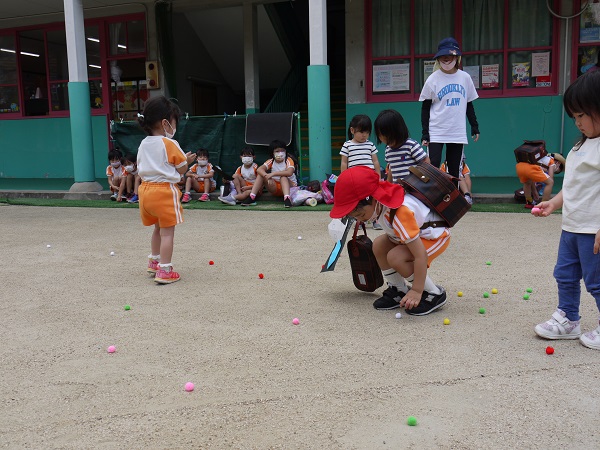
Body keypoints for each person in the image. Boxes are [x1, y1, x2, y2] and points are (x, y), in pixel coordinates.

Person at [532, 70, 600, 350]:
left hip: (593, 230)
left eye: (582, 115)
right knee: (565, 274)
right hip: (571, 227)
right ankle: (569, 318)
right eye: (574, 117)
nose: (578, 122)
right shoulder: (579, 147)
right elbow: (572, 186)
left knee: (596, 281)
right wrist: (554, 202)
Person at [330, 166, 450, 316]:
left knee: (396, 257)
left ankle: (433, 292)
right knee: (379, 245)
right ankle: (398, 289)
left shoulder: (399, 214)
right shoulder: (381, 204)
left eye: (361, 214)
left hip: (434, 237)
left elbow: (420, 255)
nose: (360, 219)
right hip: (409, 235)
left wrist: (416, 290)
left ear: (373, 199)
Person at [136, 96, 197, 284]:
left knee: (157, 228)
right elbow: (181, 169)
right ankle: (165, 270)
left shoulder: (143, 143)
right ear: (165, 123)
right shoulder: (169, 143)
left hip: (145, 191)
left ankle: (154, 262)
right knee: (167, 233)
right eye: (174, 122)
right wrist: (186, 161)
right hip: (164, 192)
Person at [419, 37, 480, 185]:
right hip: (436, 130)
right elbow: (425, 108)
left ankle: (453, 198)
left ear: (457, 57)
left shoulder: (465, 78)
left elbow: (469, 104)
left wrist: (474, 126)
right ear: (438, 58)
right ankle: (433, 196)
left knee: (454, 170)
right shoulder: (432, 79)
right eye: (443, 57)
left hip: (456, 131)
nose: (446, 60)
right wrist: (425, 132)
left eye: (450, 56)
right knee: (433, 166)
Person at [340, 114, 382, 229]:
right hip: (355, 181)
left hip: (370, 179)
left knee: (374, 200)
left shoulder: (370, 145)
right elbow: (344, 163)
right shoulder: (347, 145)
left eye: (367, 132)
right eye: (361, 132)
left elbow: (375, 161)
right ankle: (359, 220)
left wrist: (378, 176)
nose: (364, 135)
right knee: (358, 202)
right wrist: (344, 178)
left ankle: (376, 220)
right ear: (352, 130)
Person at [373, 109, 430, 183]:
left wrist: (422, 179)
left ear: (398, 131)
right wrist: (388, 185)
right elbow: (391, 169)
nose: (385, 140)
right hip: (398, 188)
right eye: (380, 136)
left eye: (388, 137)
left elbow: (426, 161)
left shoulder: (410, 145)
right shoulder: (388, 150)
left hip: (414, 187)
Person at [244, 139, 298, 208]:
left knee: (283, 177)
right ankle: (252, 197)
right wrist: (267, 176)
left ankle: (287, 199)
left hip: (290, 187)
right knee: (261, 175)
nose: (280, 153)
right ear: (273, 153)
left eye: (282, 151)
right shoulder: (271, 161)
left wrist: (273, 174)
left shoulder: (288, 160)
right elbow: (260, 169)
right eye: (277, 151)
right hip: (274, 187)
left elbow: (289, 172)